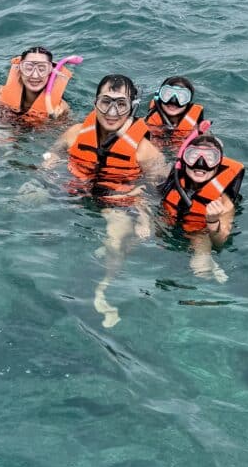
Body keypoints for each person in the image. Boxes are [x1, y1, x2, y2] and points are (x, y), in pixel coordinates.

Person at [43, 74, 168, 328]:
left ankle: (102, 291)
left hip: (119, 202)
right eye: (106, 102)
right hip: (74, 194)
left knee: (114, 239)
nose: (112, 111)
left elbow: (162, 191)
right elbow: (52, 155)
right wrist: (42, 177)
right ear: (95, 102)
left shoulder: (145, 151)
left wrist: (144, 212)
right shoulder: (75, 133)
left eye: (121, 104)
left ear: (132, 106)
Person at [161, 134, 244, 284]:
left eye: (210, 158)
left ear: (218, 164)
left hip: (200, 233)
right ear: (184, 160)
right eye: (193, 155)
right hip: (167, 227)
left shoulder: (224, 202)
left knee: (200, 269)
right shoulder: (173, 182)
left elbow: (220, 242)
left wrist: (213, 222)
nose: (200, 163)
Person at [144, 76, 206, 150]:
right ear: (160, 96)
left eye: (181, 97)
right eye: (168, 95)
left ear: (188, 101)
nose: (173, 101)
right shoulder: (149, 120)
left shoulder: (196, 126)